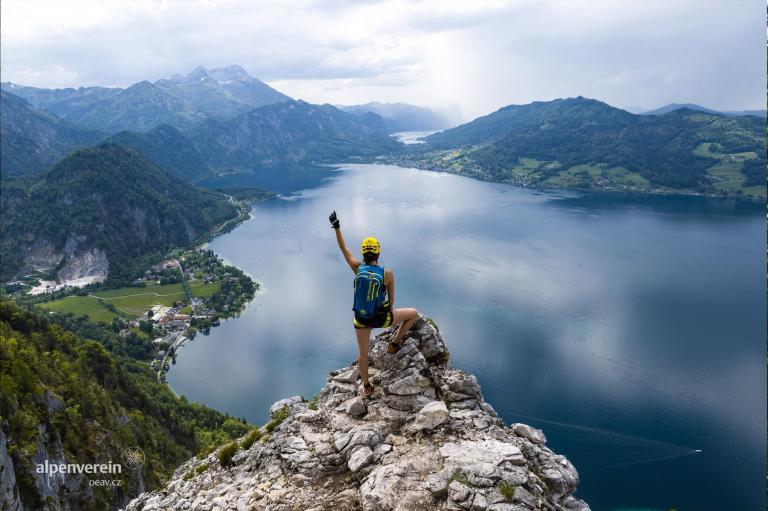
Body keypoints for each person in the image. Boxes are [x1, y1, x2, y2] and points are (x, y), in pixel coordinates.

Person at [329, 210, 419, 398]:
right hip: (381, 318)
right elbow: (391, 301)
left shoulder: (357, 268)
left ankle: (367, 386)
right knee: (413, 314)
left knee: (363, 355)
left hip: (361, 319)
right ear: (378, 252)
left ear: (363, 253)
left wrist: (337, 226)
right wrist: (388, 313)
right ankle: (394, 343)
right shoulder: (387, 273)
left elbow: (343, 249)